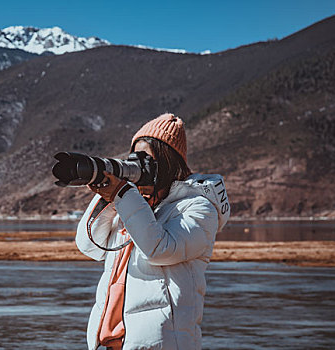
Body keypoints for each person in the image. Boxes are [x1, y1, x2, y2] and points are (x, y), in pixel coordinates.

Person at [75, 113, 230, 350]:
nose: (138, 166)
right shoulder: (133, 204)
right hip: (111, 342)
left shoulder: (198, 208)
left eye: (146, 160)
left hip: (161, 343)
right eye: (134, 159)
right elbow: (89, 245)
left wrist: (123, 195)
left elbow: (159, 250)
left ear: (168, 162)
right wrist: (108, 195)